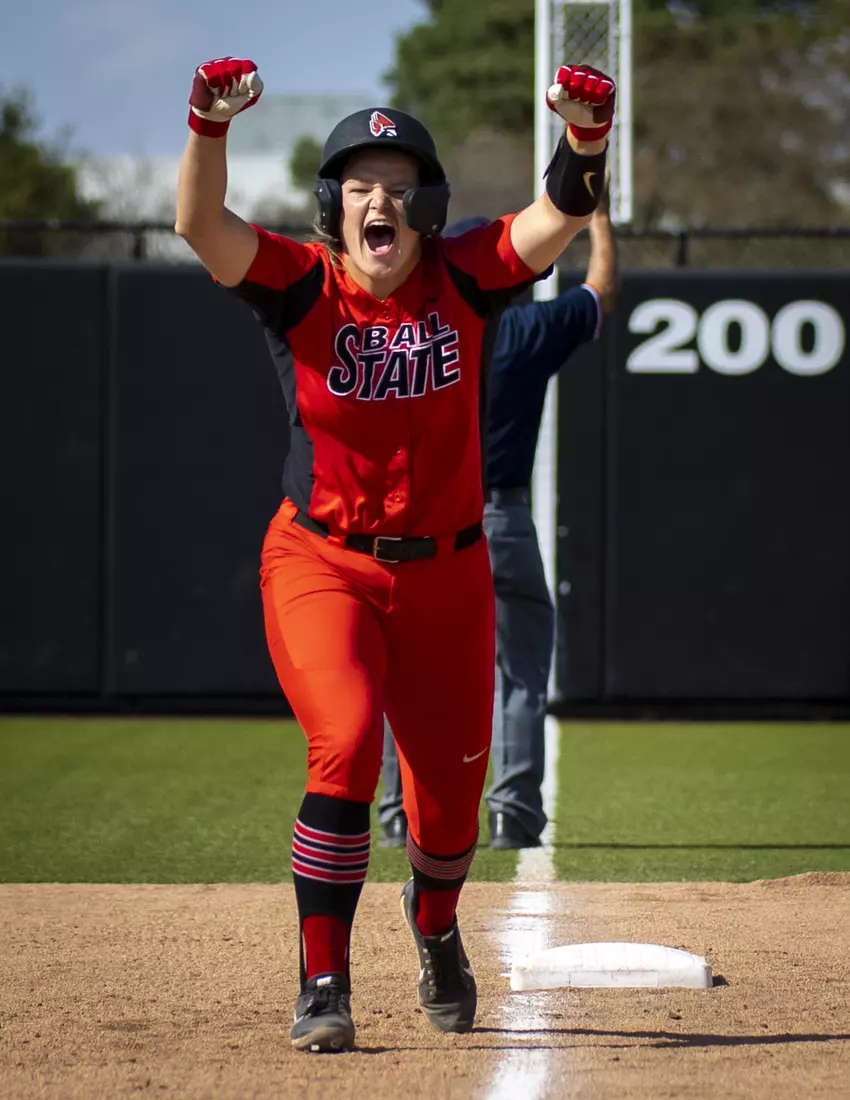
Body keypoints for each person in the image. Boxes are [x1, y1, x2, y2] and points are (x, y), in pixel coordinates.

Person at [175, 56, 616, 1053]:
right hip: (321, 558)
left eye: (401, 183)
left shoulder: (462, 271)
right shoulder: (298, 280)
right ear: (333, 204)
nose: (382, 198)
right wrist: (207, 125)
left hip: (451, 573)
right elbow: (201, 227)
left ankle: (435, 927)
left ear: (427, 205)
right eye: (361, 183)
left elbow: (555, 214)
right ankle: (322, 978)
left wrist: (585, 137)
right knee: (344, 735)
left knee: (450, 800)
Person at [379, 182, 619, 852]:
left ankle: (399, 813)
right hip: (501, 520)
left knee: (408, 673)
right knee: (517, 672)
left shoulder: (418, 330)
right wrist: (596, 223)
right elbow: (601, 293)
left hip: (422, 522)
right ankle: (512, 813)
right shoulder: (529, 328)